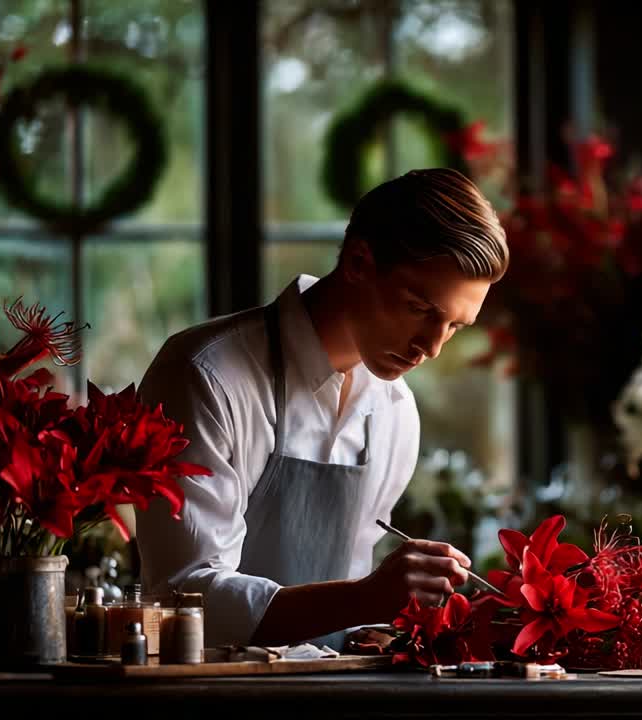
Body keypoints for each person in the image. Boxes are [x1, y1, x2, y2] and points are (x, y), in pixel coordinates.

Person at [135, 168, 508, 649]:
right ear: (357, 261)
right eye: (419, 307)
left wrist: (387, 630)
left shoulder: (395, 412)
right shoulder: (205, 375)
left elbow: (347, 609)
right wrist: (367, 598)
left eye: (456, 326)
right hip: (207, 704)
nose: (431, 347)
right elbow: (184, 598)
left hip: (329, 701)